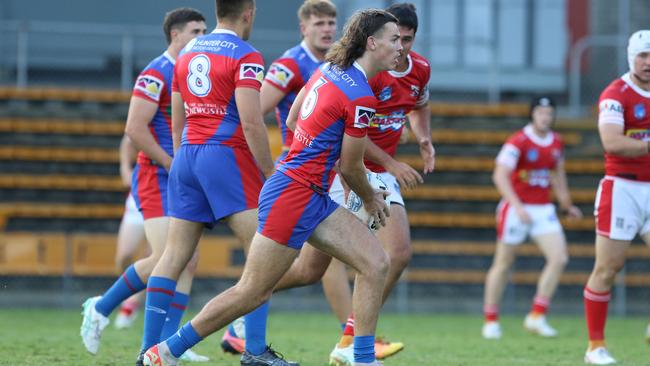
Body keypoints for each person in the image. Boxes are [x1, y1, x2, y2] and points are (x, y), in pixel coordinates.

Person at [142, 7, 402, 366]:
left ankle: (360, 357)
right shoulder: (360, 96)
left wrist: (305, 160)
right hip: (295, 195)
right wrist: (370, 198)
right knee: (251, 291)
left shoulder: (329, 70)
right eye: (394, 40)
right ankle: (166, 351)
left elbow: (293, 117)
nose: (400, 47)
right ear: (372, 43)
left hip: (308, 192)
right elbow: (352, 165)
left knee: (375, 263)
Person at [137, 1, 294, 365]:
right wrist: (271, 174)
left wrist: (182, 163)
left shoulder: (187, 51)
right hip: (225, 156)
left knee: (173, 256)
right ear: (249, 12)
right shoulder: (247, 55)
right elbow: (253, 123)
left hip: (187, 154)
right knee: (264, 253)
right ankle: (254, 351)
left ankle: (147, 351)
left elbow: (177, 117)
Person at [80, 8, 209, 363]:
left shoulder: (195, 71)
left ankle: (169, 344)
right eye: (196, 30)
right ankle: (101, 307)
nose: (202, 35)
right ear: (176, 35)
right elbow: (135, 129)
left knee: (189, 258)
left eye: (205, 29)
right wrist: (173, 162)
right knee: (169, 257)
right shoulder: (156, 72)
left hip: (183, 175)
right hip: (157, 174)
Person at [219, 0, 341, 355]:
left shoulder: (334, 64)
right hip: (301, 174)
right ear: (303, 27)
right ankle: (355, 336)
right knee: (329, 259)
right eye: (319, 22)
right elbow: (255, 111)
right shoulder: (290, 64)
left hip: (327, 172)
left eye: (332, 22)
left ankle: (240, 313)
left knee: (311, 270)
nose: (327, 28)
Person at [481, 96, 582, 340]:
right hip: (516, 209)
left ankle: (536, 316)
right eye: (541, 112)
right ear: (532, 114)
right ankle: (491, 320)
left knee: (559, 258)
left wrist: (566, 204)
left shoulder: (556, 142)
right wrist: (517, 206)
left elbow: (557, 174)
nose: (545, 117)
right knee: (503, 264)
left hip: (543, 208)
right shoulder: (519, 141)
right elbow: (500, 176)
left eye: (549, 113)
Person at [583, 30, 650, 365]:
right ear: (631, 57)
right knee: (609, 267)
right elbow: (612, 142)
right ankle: (595, 346)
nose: (649, 62)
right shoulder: (616, 93)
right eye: (643, 55)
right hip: (622, 188)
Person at [114, 135, 147, 329]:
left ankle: (131, 304)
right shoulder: (152, 111)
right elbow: (129, 137)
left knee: (153, 256)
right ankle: (124, 294)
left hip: (165, 197)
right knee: (124, 256)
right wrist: (125, 168)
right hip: (139, 196)